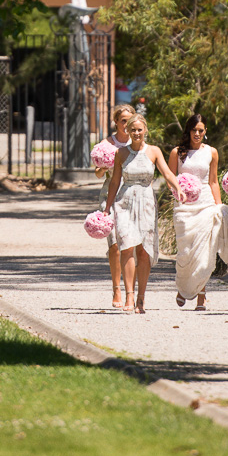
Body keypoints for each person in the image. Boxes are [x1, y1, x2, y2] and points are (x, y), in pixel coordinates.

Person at [103, 115, 179, 314]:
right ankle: (129, 294)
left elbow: (167, 173)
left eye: (139, 129)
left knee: (143, 251)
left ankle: (141, 297)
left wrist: (179, 188)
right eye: (133, 130)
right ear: (127, 131)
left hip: (146, 202)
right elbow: (114, 182)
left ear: (145, 130)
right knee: (127, 246)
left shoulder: (153, 151)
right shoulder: (120, 153)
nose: (136, 133)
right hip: (124, 202)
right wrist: (107, 207)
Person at [168, 112, 228, 310]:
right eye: (194, 130)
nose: (197, 133)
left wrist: (218, 206)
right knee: (185, 252)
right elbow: (170, 180)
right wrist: (179, 191)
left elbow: (213, 181)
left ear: (205, 131)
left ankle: (201, 295)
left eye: (201, 130)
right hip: (184, 206)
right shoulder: (177, 152)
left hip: (206, 204)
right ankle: (183, 287)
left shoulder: (212, 152)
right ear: (188, 130)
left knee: (204, 253)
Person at [101, 104, 137, 307]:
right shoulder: (106, 143)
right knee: (114, 244)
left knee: (129, 245)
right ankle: (117, 289)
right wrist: (104, 166)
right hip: (110, 195)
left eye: (129, 120)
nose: (127, 124)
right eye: (123, 120)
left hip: (132, 195)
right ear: (116, 122)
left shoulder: (138, 141)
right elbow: (97, 173)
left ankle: (130, 290)